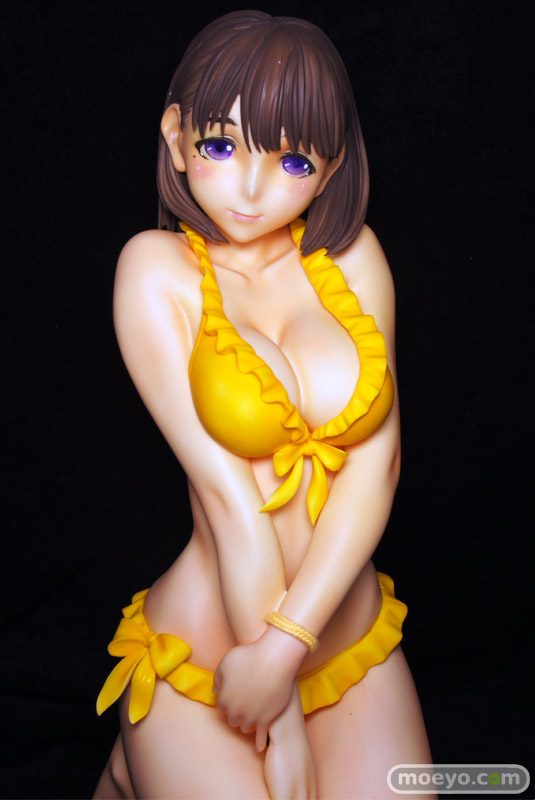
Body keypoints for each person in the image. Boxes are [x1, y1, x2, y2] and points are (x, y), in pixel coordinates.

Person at [94, 11, 434, 799]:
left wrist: (286, 649)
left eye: (292, 160)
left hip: (341, 640)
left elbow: (375, 467)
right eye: (220, 147)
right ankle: (135, 766)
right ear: (176, 136)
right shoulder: (155, 271)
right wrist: (279, 720)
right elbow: (229, 501)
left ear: (331, 164)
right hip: (214, 653)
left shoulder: (353, 256)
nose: (251, 189)